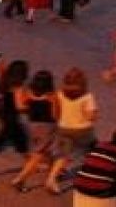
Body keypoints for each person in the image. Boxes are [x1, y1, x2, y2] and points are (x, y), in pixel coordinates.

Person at [44, 67, 98, 195]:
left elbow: (54, 114)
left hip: (64, 128)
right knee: (93, 153)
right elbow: (91, 116)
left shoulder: (59, 94)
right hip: (83, 130)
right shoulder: (87, 96)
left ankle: (51, 179)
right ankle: (93, 178)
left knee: (63, 155)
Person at [11, 69, 59, 192]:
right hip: (46, 127)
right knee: (39, 154)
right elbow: (55, 115)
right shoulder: (51, 96)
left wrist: (32, 108)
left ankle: (53, 169)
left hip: (32, 125)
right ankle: (20, 179)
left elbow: (22, 106)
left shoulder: (29, 93)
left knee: (44, 149)